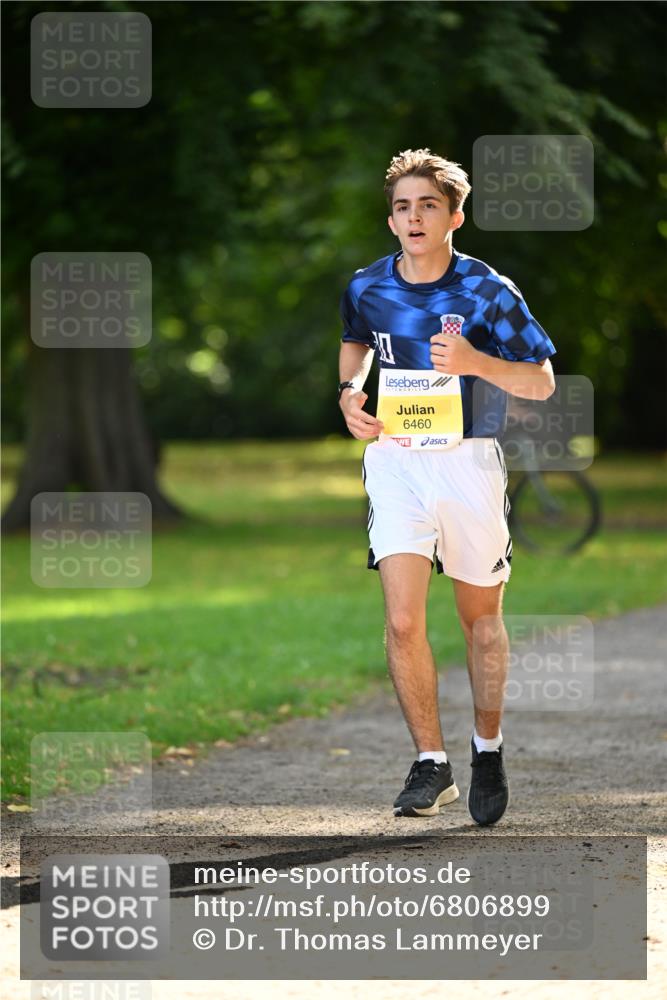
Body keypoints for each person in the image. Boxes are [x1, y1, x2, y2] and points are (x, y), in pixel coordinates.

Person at [338, 148, 556, 826]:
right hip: (396, 463)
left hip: (467, 463)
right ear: (390, 218)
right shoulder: (366, 285)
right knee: (402, 619)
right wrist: (348, 393)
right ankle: (430, 764)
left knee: (478, 622)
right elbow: (355, 343)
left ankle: (485, 749)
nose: (413, 217)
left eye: (427, 205)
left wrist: (472, 361)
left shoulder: (488, 290)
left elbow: (541, 382)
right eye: (402, 206)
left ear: (454, 216)